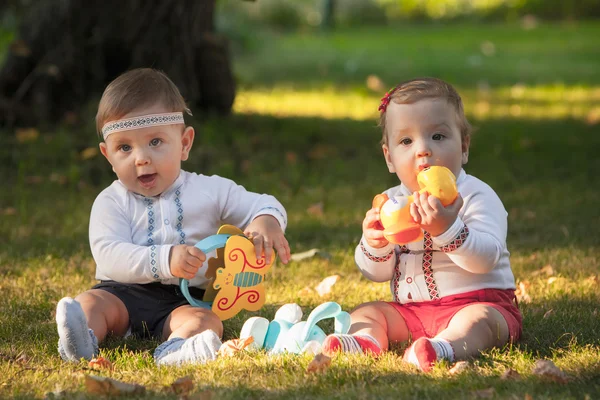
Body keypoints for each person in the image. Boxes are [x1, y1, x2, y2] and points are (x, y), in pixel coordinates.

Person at [56, 68, 291, 366]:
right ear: (108, 156)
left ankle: (177, 349)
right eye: (125, 147)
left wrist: (265, 222)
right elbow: (109, 253)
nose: (141, 157)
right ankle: (82, 340)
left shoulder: (209, 190)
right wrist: (165, 260)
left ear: (184, 143)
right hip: (122, 293)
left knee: (207, 322)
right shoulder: (111, 201)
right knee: (90, 303)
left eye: (155, 142)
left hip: (183, 301)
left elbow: (263, 203)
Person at [321, 78, 521, 372]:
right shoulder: (390, 202)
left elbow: (486, 259)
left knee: (480, 323)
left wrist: (447, 229)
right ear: (389, 157)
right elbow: (376, 274)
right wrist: (375, 244)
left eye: (438, 137)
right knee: (368, 312)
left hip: (477, 302)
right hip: (411, 311)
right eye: (406, 141)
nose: (423, 150)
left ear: (464, 146)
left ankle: (444, 348)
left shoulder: (476, 195)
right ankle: (366, 341)